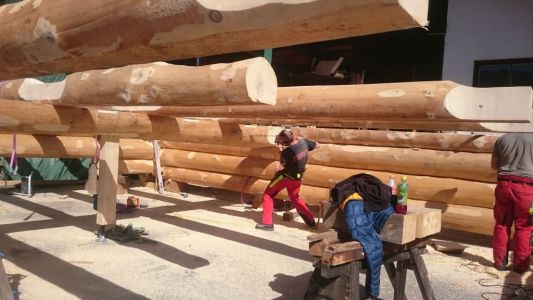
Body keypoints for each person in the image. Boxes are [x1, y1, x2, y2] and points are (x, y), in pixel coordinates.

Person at [330, 173, 394, 300]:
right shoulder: (354, 202)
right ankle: (372, 293)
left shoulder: (361, 192)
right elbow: (362, 232)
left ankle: (372, 293)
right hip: (356, 201)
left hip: (361, 198)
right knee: (371, 243)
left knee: (371, 244)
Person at [255, 129, 319, 231]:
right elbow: (317, 144)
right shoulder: (304, 143)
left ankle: (267, 223)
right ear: (293, 136)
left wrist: (281, 152)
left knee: (268, 195)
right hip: (298, 178)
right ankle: (311, 222)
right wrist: (302, 142)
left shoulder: (287, 152)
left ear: (284, 143)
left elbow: (281, 167)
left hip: (285, 177)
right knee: (296, 198)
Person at [491, 133, 533, 273]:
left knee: (502, 224)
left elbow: (494, 165)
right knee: (525, 227)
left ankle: (499, 263)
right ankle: (520, 267)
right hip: (528, 189)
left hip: (504, 186)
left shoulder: (503, 138)